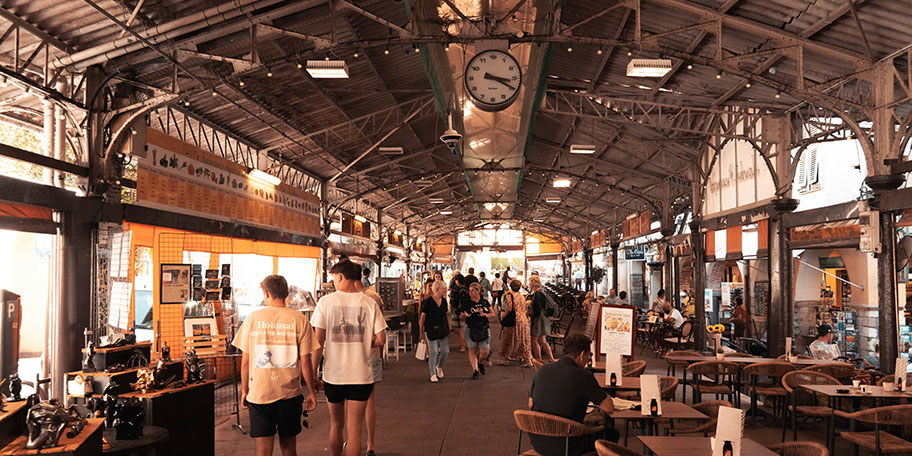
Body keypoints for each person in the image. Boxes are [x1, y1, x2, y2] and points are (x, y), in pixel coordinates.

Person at [232, 275, 318, 456]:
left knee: (263, 450)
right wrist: (311, 391)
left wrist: (244, 391)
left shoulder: (252, 319)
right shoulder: (300, 320)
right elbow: (306, 361)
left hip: (260, 394)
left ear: (266, 293)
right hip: (290, 394)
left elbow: (246, 361)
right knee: (289, 447)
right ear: (286, 293)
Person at [311, 260, 388, 456]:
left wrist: (312, 372)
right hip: (360, 376)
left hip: (333, 375)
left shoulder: (325, 302)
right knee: (355, 432)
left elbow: (317, 342)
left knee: (336, 425)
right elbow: (381, 339)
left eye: (333, 278)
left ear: (340, 277)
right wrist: (362, 342)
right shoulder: (369, 302)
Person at [529, 333, 620, 455]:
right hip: (567, 444)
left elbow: (531, 403)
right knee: (611, 434)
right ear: (582, 354)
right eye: (589, 355)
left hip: (538, 440)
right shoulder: (583, 376)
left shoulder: (543, 370)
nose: (589, 358)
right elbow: (608, 408)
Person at [354, 268, 385, 456]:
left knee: (350, 402)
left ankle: (353, 442)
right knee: (369, 400)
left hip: (350, 356)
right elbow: (381, 332)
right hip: (372, 352)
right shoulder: (374, 298)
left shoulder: (341, 300)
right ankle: (370, 444)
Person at [461, 282, 495, 379]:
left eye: (473, 290)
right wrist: (465, 315)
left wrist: (485, 315)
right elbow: (461, 314)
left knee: (485, 351)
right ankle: (475, 370)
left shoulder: (484, 302)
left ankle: (480, 362)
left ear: (478, 291)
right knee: (472, 349)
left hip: (483, 328)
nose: (471, 293)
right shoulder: (467, 302)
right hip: (470, 328)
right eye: (470, 291)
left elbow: (493, 314)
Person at [420, 280, 450, 382]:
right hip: (431, 329)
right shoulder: (428, 302)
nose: (445, 291)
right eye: (444, 289)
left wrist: (448, 328)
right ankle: (432, 373)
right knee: (433, 352)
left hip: (442, 328)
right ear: (437, 289)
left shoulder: (444, 301)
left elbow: (445, 315)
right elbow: (422, 317)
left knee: (445, 351)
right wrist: (421, 332)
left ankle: (439, 366)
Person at [528, 275, 557, 362]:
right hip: (545, 318)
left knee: (534, 340)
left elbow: (537, 309)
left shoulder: (537, 294)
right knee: (543, 340)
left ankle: (538, 359)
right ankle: (551, 358)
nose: (529, 284)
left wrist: (530, 313)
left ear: (532, 284)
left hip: (538, 319)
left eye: (530, 283)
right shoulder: (542, 292)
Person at [507, 279, 534, 368]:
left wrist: (503, 315)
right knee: (524, 340)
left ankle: (507, 356)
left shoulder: (509, 296)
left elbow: (509, 309)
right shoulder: (522, 296)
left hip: (514, 319)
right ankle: (528, 359)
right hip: (523, 319)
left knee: (510, 338)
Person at [448, 274, 469, 352]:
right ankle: (464, 345)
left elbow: (455, 302)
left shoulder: (457, 290)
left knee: (460, 330)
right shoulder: (466, 289)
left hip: (458, 312)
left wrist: (459, 311)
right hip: (465, 312)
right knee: (463, 329)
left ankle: (462, 346)